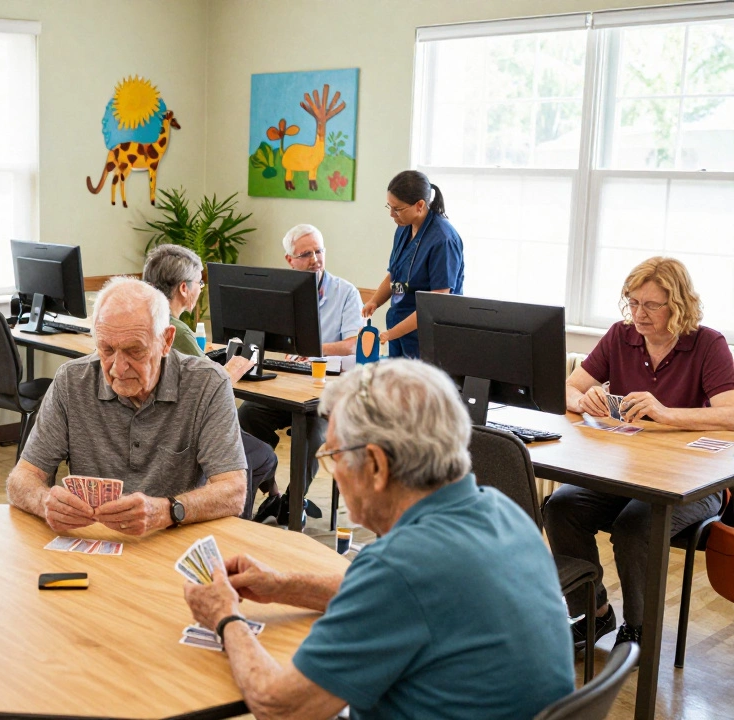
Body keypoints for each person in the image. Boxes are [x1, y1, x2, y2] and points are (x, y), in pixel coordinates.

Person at [183, 360, 574, 720]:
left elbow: (279, 705)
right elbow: (407, 600)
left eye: (334, 456)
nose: (333, 473)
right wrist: (281, 585)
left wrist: (225, 618)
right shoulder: (505, 513)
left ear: (376, 465)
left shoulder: (401, 567)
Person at [547, 256, 733, 650]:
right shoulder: (621, 335)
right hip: (628, 474)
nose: (638, 314)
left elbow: (731, 414)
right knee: (560, 507)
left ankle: (639, 631)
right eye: (632, 303)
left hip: (694, 484)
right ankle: (594, 613)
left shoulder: (708, 343)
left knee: (635, 527)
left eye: (651, 305)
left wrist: (664, 413)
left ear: (678, 304)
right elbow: (567, 388)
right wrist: (586, 399)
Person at [6, 277, 247, 535]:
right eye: (106, 349)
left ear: (166, 340)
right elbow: (21, 480)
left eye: (135, 351)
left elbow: (233, 492)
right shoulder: (71, 382)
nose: (117, 368)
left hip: (172, 536)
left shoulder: (207, 384)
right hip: (94, 539)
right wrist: (45, 502)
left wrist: (168, 511)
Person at [236, 224, 365, 523]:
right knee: (247, 417)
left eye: (319, 251)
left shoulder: (345, 293)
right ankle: (272, 494)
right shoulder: (281, 293)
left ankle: (295, 505)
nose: (315, 259)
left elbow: (354, 343)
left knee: (311, 432)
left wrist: (315, 347)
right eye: (306, 254)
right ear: (289, 260)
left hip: (327, 392)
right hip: (287, 385)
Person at [142, 244, 275, 520]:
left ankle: (272, 504)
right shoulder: (174, 331)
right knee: (262, 455)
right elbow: (208, 389)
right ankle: (233, 522)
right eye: (198, 283)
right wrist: (233, 369)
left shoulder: (145, 319)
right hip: (180, 431)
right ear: (183, 289)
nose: (200, 288)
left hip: (154, 424)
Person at [360, 170, 465, 359]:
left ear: (420, 205)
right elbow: (395, 273)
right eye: (389, 207)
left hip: (428, 336)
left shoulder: (443, 240)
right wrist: (375, 300)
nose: (392, 214)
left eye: (397, 208)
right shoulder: (404, 228)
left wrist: (391, 333)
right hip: (399, 328)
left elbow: (437, 301)